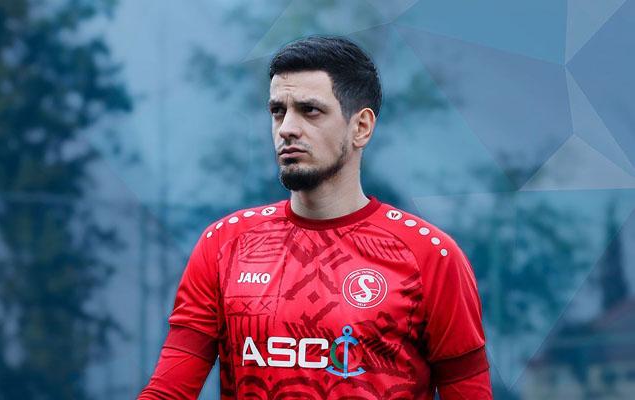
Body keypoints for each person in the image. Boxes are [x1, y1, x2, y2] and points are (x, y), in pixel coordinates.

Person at [138, 36, 492, 399]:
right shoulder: (225, 244)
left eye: (310, 110)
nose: (286, 129)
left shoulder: (430, 256)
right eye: (278, 111)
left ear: (361, 127)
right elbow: (168, 393)